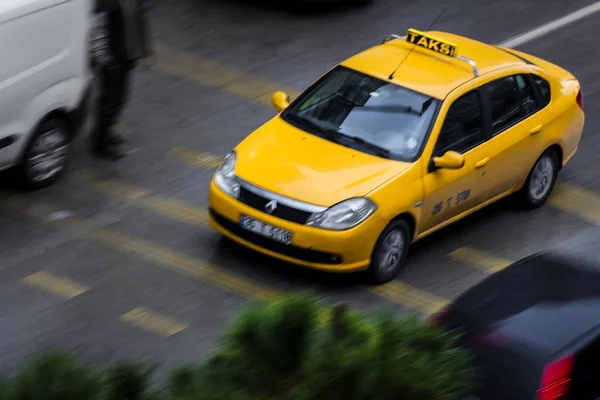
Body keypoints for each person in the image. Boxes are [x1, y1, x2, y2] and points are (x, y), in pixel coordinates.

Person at [89, 0, 153, 160]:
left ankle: (107, 131)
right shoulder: (106, 3)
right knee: (108, 102)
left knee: (120, 99)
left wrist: (145, 50)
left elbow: (140, 21)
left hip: (128, 56)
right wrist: (104, 60)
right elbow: (97, 30)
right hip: (112, 61)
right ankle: (99, 143)